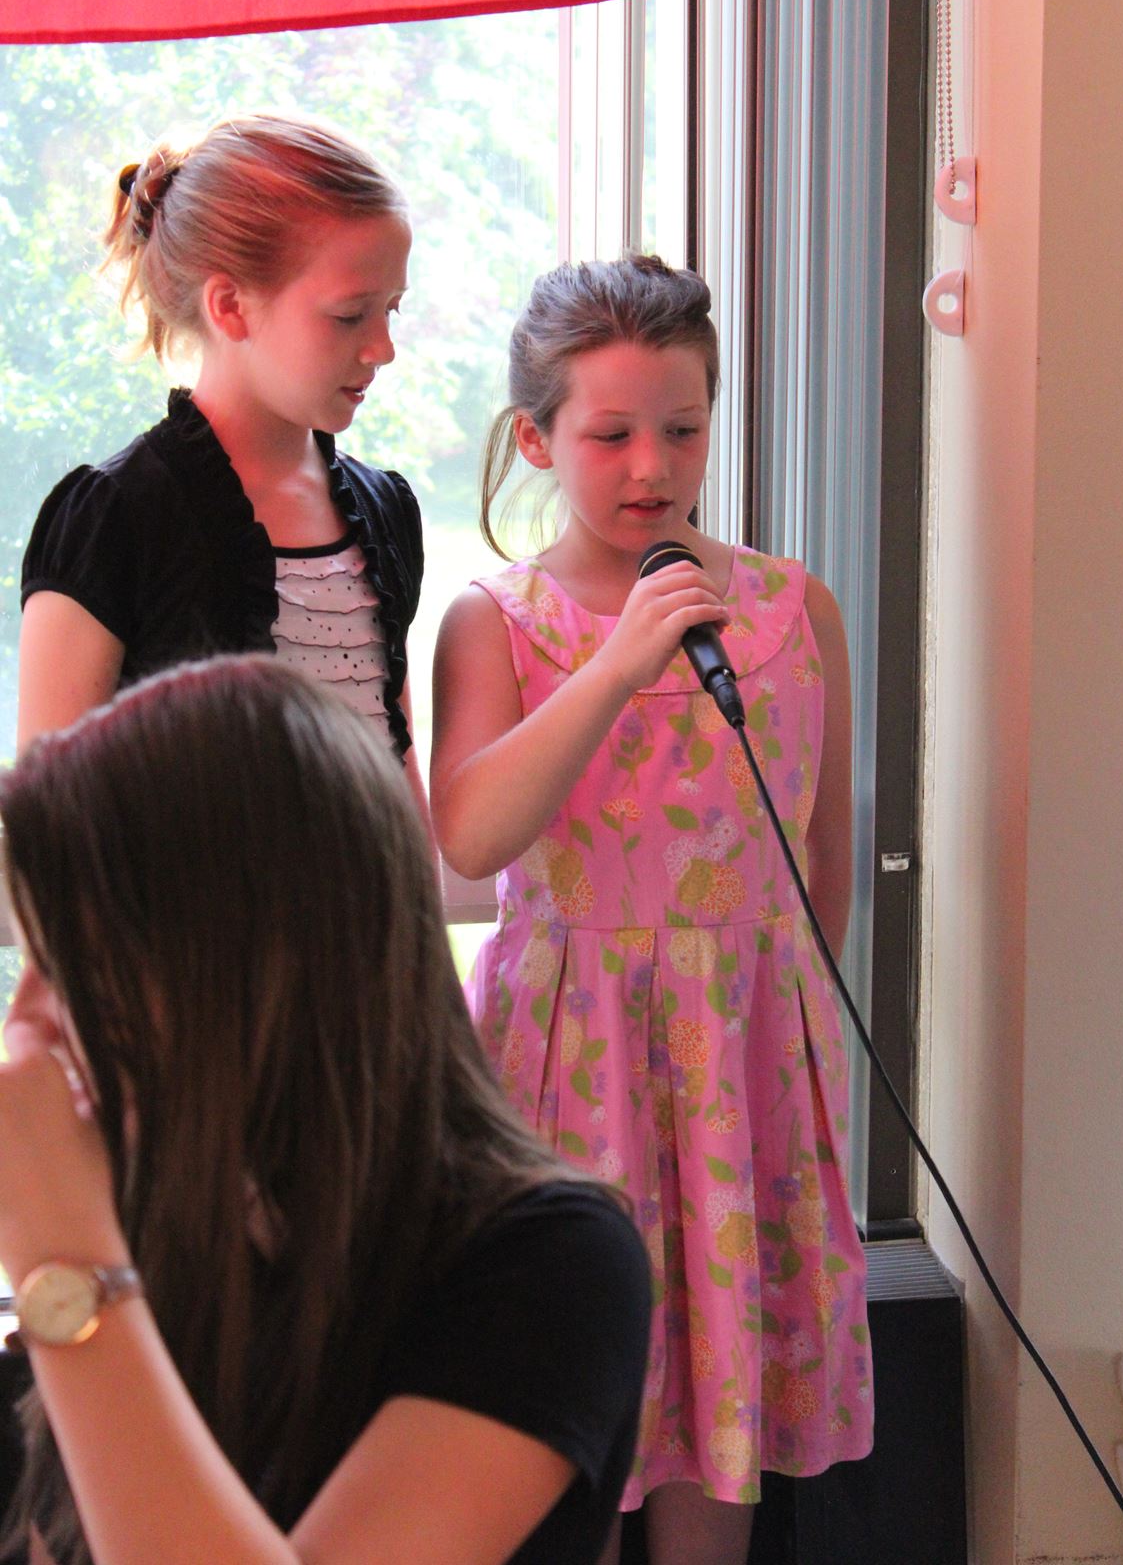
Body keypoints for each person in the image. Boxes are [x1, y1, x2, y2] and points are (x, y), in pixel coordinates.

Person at [0, 655, 651, 1565]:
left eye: (76, 968)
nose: (28, 1023)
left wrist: (65, 1261)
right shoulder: (161, 1229)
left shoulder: (550, 1264)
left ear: (248, 970)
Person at [431, 255, 874, 1565]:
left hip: (743, 1062)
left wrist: (786, 1037)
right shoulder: (494, 621)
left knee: (721, 1396)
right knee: (572, 1403)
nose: (652, 467)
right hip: (570, 1062)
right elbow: (472, 832)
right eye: (611, 434)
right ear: (536, 440)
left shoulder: (792, 610)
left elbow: (823, 853)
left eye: (682, 429)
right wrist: (619, 662)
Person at [17, 112, 426, 811]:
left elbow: (398, 759)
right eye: (350, 314)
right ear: (230, 306)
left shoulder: (383, 510)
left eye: (392, 309)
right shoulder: (114, 520)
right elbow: (48, 821)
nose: (383, 348)